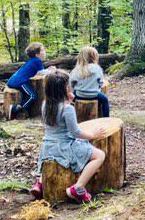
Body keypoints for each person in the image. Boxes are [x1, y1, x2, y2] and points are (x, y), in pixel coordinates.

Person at [29, 71, 107, 203]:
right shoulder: (67, 109)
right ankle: (78, 188)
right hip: (64, 147)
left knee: (51, 158)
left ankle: (40, 183)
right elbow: (76, 132)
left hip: (48, 146)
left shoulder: (45, 105)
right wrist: (93, 135)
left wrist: (67, 98)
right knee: (99, 155)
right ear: (66, 89)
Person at [7, 42, 52, 119]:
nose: (45, 52)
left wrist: (48, 70)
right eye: (43, 50)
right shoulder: (37, 60)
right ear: (37, 54)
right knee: (32, 96)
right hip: (19, 82)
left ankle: (24, 110)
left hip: (17, 81)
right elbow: (41, 72)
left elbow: (39, 72)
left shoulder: (34, 60)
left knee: (29, 94)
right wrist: (51, 71)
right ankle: (15, 109)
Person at [69, 46, 110, 118]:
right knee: (105, 100)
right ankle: (106, 118)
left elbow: (72, 82)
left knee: (69, 98)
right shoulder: (97, 68)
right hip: (94, 95)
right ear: (94, 57)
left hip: (79, 95)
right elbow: (100, 82)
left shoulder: (77, 69)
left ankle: (71, 116)